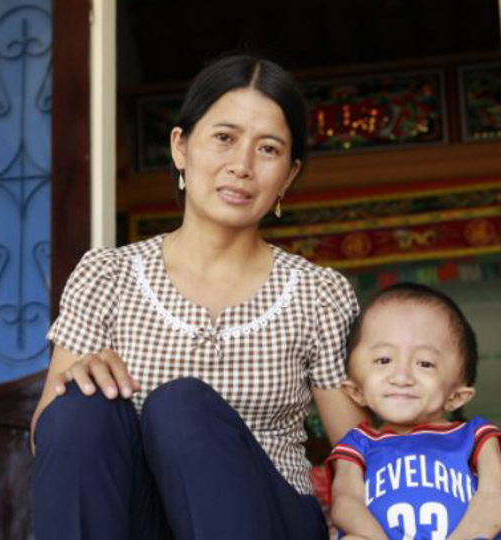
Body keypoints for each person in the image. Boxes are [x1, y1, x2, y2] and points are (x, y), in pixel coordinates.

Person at [30, 53, 369, 540]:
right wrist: (73, 382)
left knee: (181, 406)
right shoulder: (106, 274)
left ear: (288, 177)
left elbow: (356, 451)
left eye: (268, 149)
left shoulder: (317, 293)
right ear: (181, 147)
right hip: (138, 520)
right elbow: (52, 444)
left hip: (267, 517)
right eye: (224, 138)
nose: (242, 166)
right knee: (81, 405)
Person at [327, 283, 501, 540]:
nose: (402, 376)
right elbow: (345, 502)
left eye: (425, 363)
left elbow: (494, 498)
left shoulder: (475, 435)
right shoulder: (358, 444)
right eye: (384, 360)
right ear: (356, 391)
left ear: (456, 396)